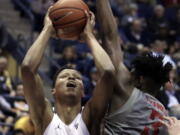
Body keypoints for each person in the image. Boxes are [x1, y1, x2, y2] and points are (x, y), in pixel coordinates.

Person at [21, 7, 115, 135]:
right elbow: (27, 69)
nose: (71, 78)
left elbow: (108, 72)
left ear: (83, 91)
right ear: (53, 90)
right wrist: (47, 29)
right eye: (64, 76)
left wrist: (89, 36)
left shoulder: (90, 116)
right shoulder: (44, 116)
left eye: (77, 77)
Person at [96, 0, 173, 134]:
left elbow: (109, 38)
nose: (129, 75)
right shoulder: (164, 115)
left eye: (132, 73)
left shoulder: (127, 92)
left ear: (141, 79)